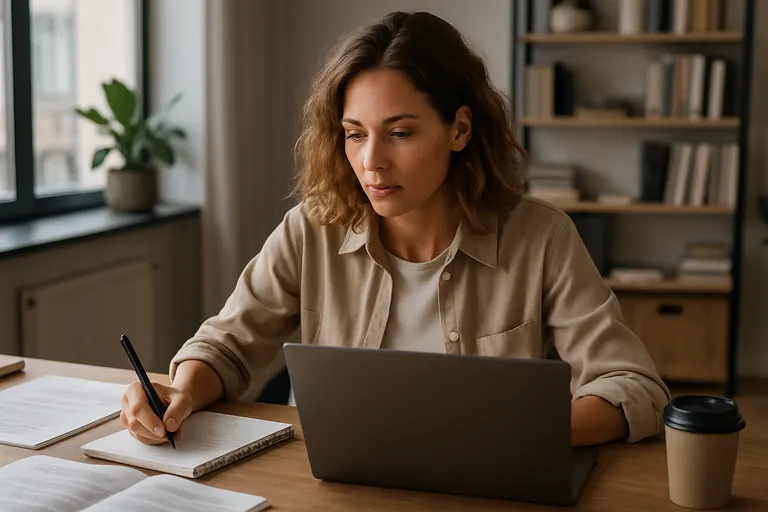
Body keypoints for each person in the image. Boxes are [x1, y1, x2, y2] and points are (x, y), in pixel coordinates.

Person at [120, 11, 670, 449]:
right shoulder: (312, 228)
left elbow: (634, 386)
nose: (371, 162)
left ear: (459, 128)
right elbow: (227, 345)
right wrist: (180, 390)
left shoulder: (540, 238)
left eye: (400, 133)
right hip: (325, 487)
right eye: (355, 134)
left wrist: (519, 437)